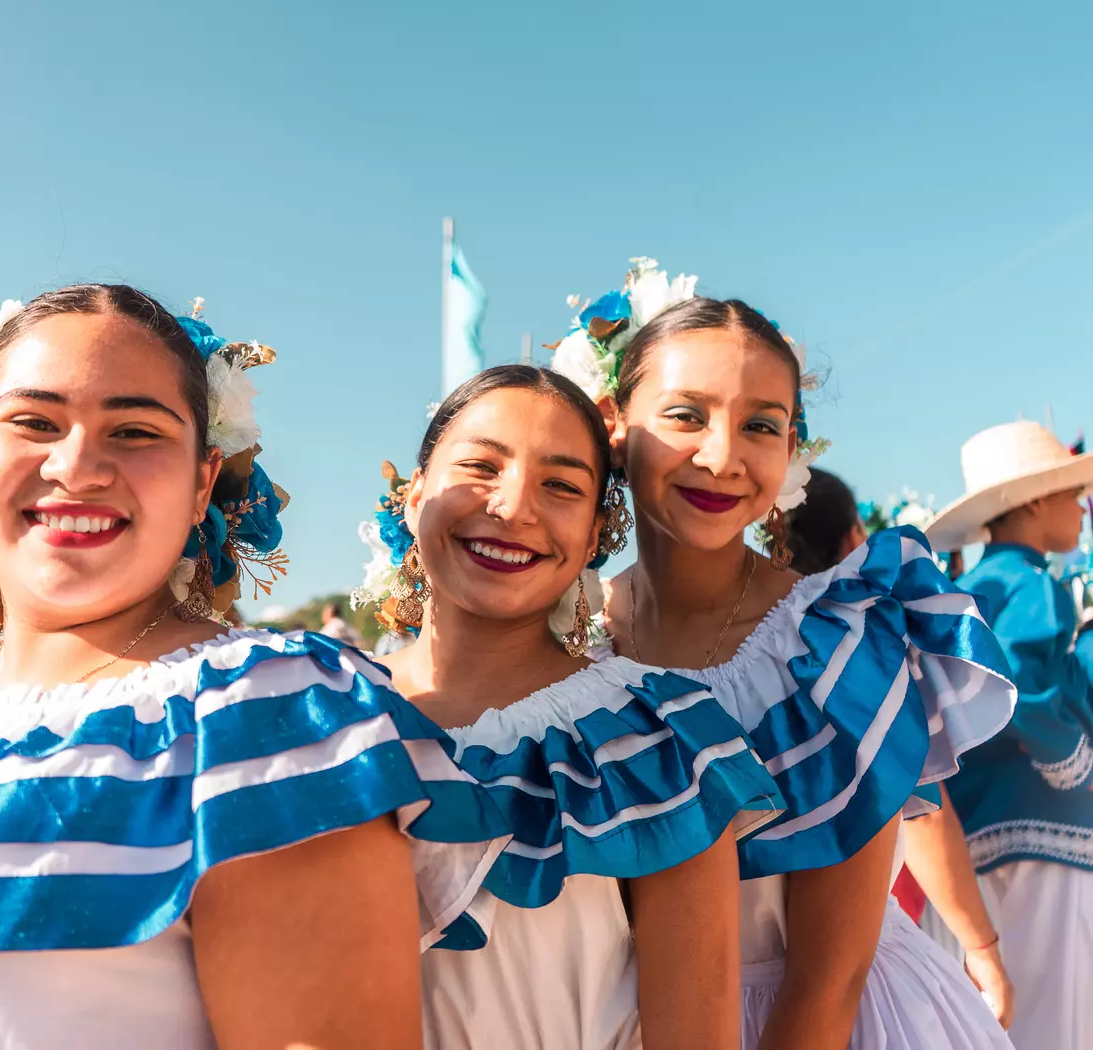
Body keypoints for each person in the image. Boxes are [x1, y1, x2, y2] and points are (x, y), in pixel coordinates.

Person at [0, 285, 508, 1050]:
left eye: (135, 430)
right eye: (34, 421)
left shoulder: (269, 719)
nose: (77, 464)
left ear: (204, 480)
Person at [554, 261, 1017, 1050]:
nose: (723, 454)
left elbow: (829, 979)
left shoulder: (834, 644)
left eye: (762, 424)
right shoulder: (563, 632)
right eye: (686, 415)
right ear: (614, 425)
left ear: (792, 446)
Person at [356, 364, 784, 1049]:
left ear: (592, 537)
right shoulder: (321, 721)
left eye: (561, 485)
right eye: (480, 466)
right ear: (413, 497)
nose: (513, 507)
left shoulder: (655, 735)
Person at [782, 467, 1015, 1029]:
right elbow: (926, 815)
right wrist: (982, 948)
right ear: (851, 542)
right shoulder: (857, 656)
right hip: (859, 974)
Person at [927, 420, 1093, 1050]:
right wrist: (1072, 765)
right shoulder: (1033, 585)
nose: (1082, 508)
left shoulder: (963, 591)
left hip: (973, 831)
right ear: (1031, 502)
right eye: (1068, 493)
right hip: (1045, 826)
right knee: (1059, 1019)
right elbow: (1022, 679)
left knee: (1001, 1018)